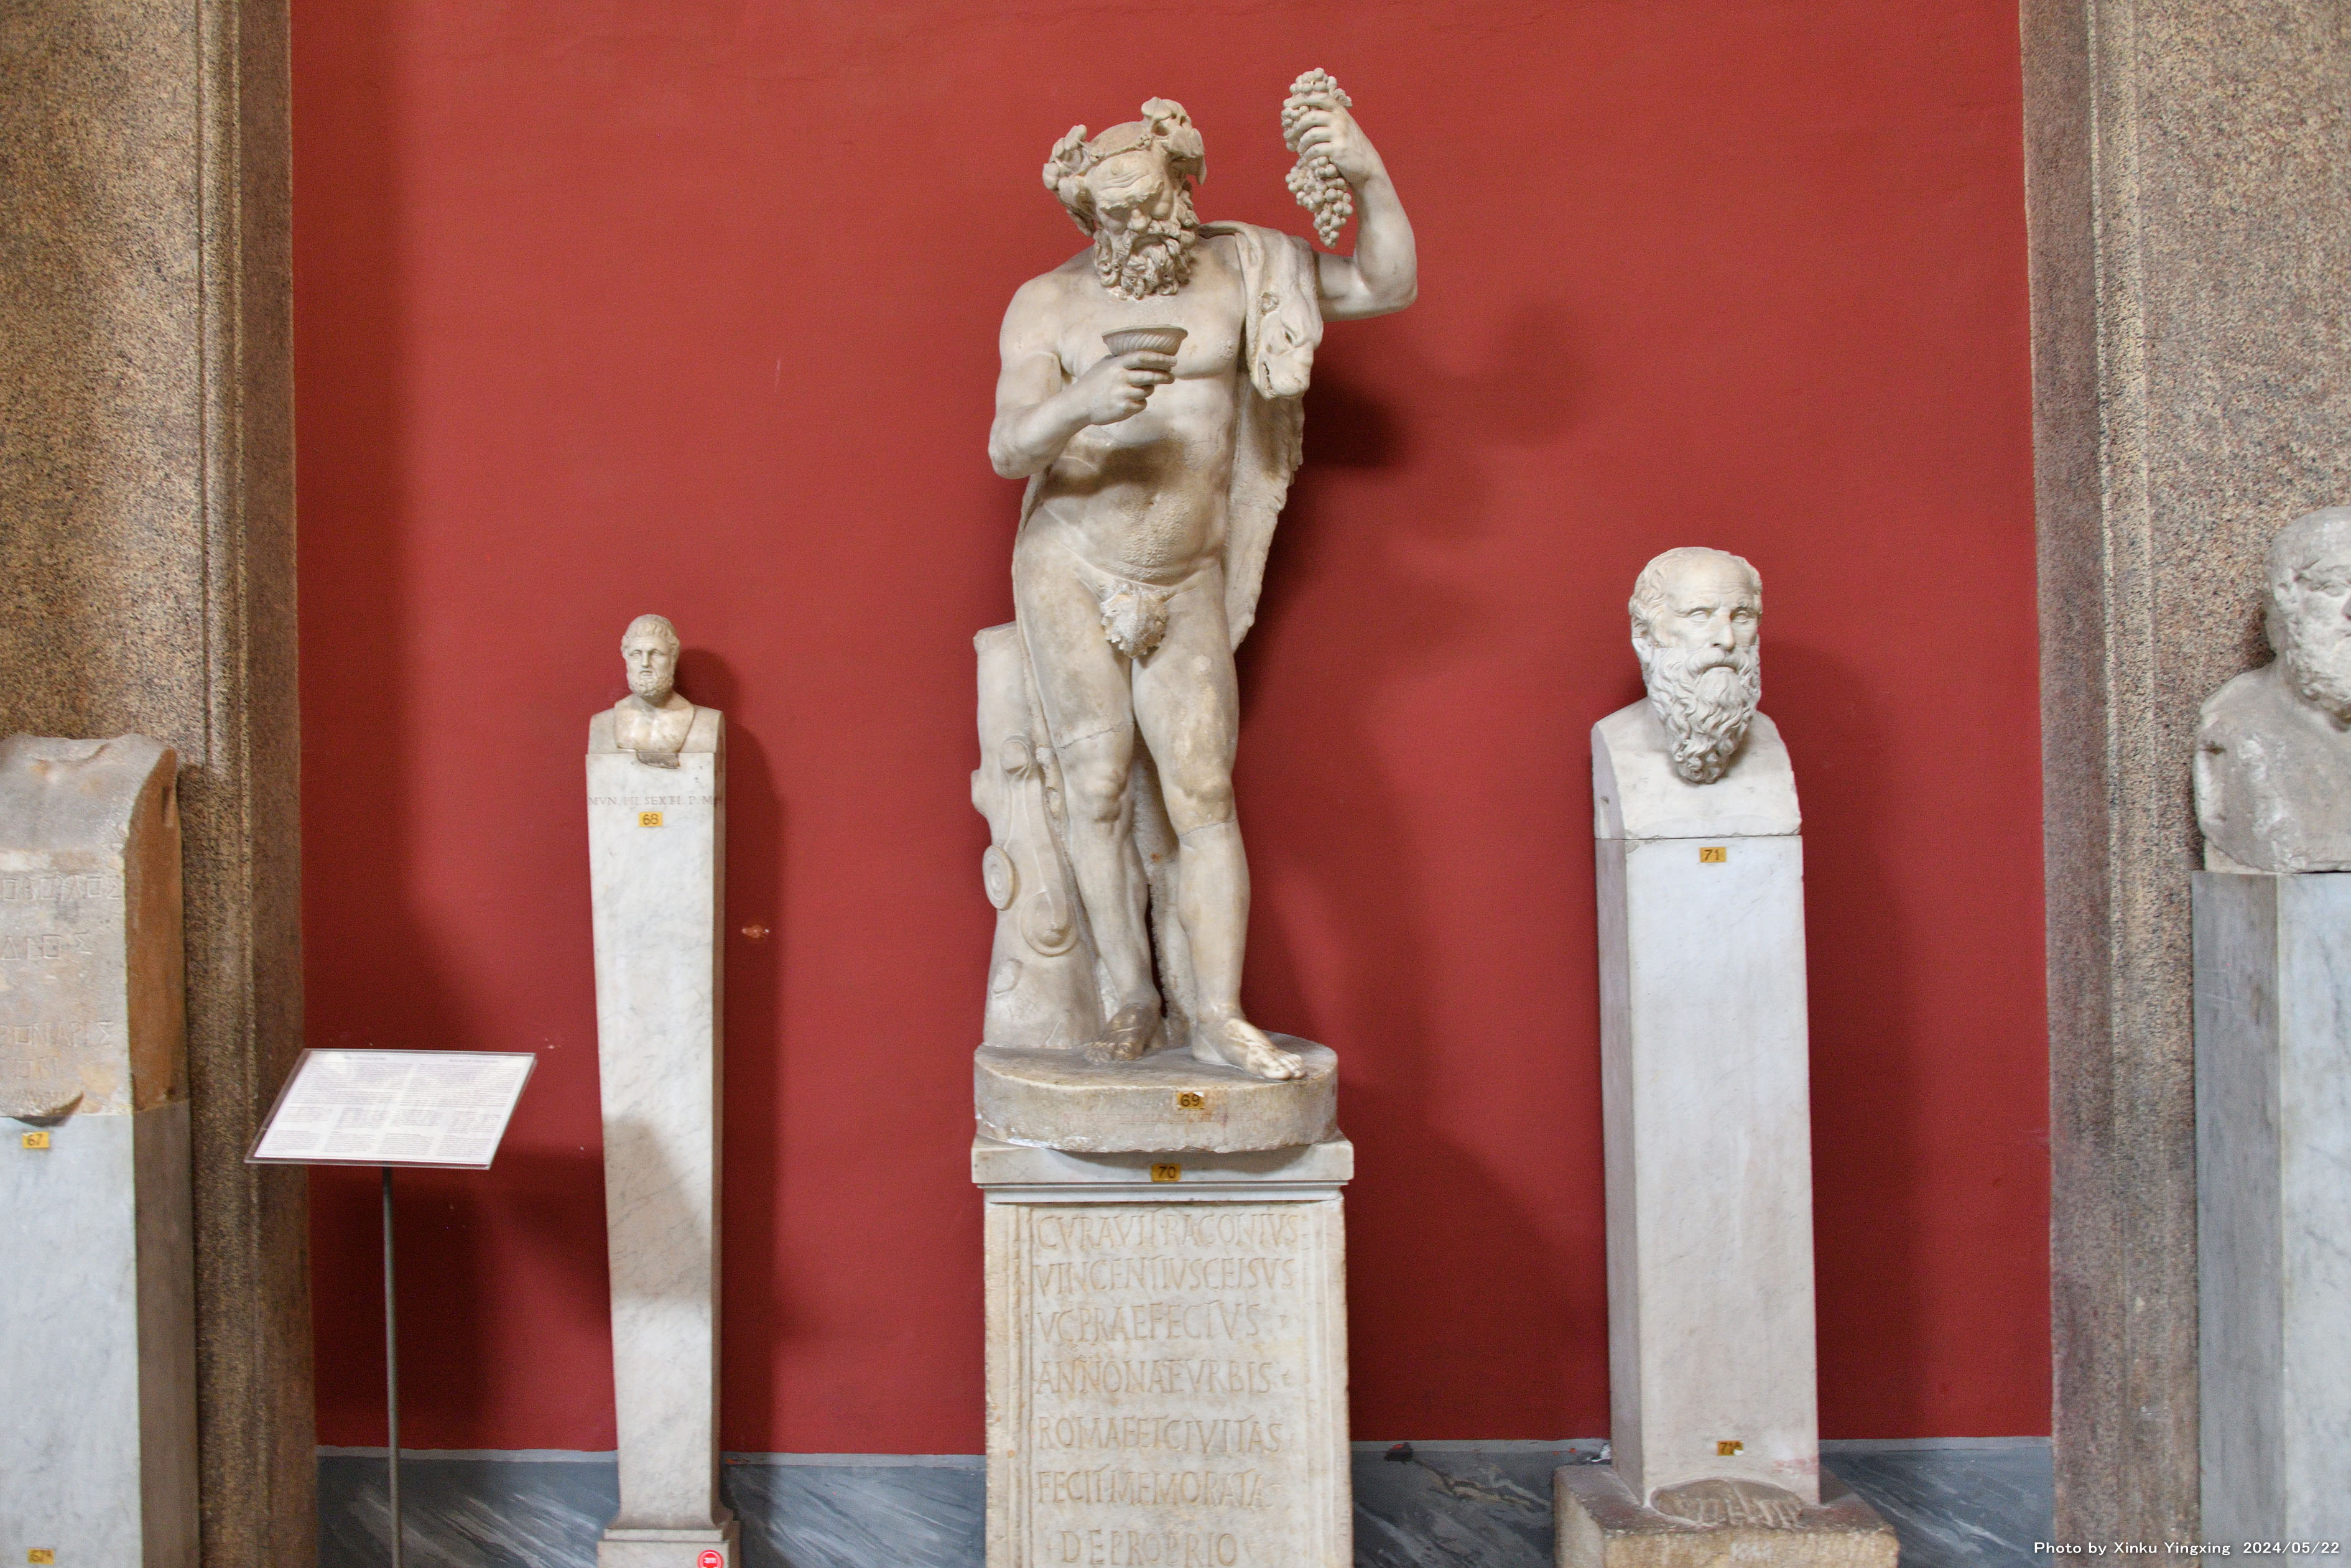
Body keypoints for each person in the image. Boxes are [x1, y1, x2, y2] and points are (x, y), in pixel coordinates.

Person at [986, 93, 1416, 1077]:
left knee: (1204, 794)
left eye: (1150, 203)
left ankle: (1218, 1014)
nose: (1136, 228)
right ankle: (1131, 996)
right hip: (1071, 564)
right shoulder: (1047, 303)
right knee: (1095, 789)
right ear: (1086, 213)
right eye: (1113, 215)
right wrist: (1082, 403)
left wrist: (1365, 172)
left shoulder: (1245, 269)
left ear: (1185, 183)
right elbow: (1009, 447)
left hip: (1183, 573)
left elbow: (1386, 282)